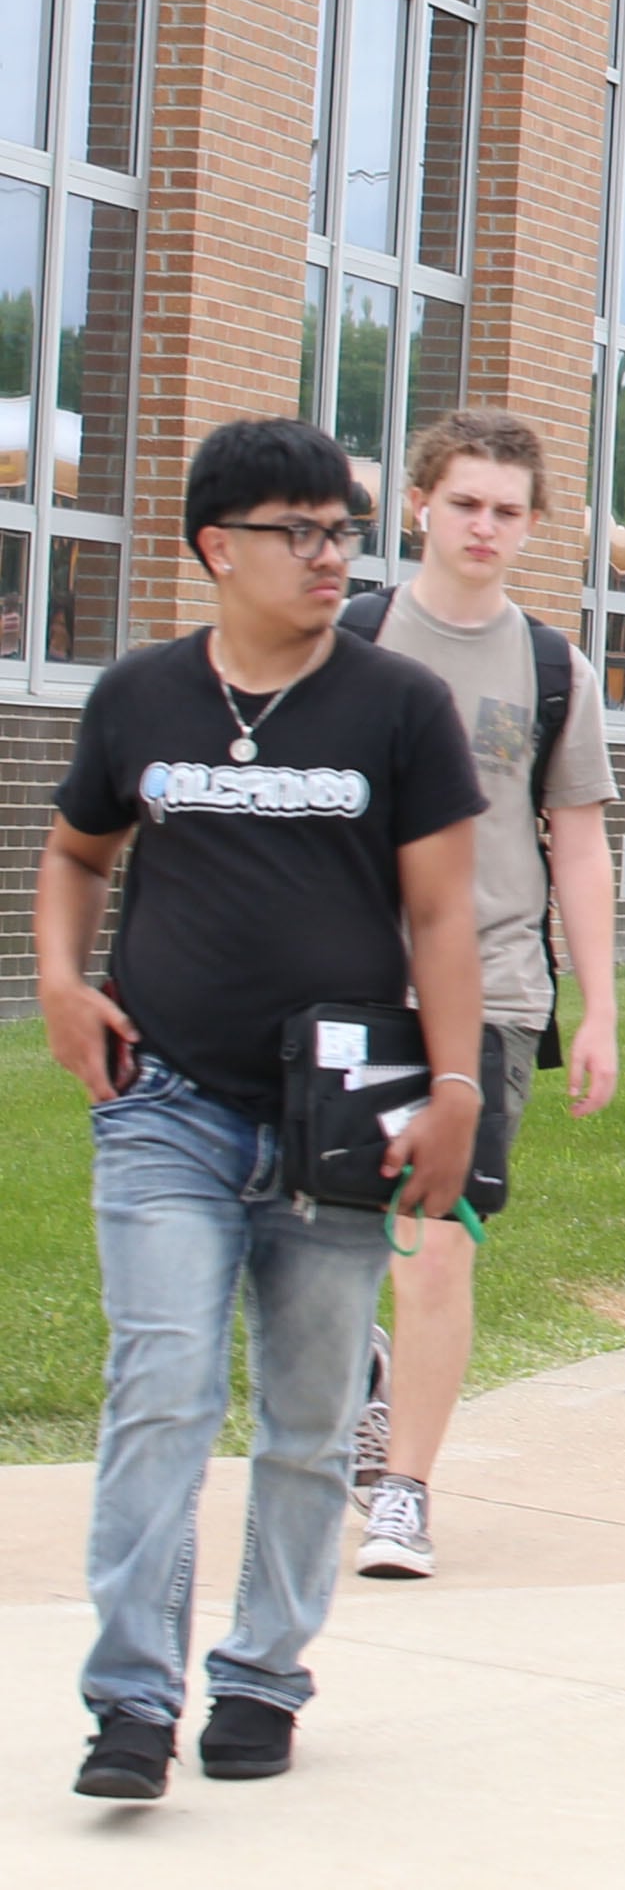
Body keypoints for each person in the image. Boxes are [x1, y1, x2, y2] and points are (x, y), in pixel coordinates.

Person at [41, 419, 486, 1801]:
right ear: (216, 546)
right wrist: (61, 979)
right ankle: (129, 1699)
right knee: (159, 1394)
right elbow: (74, 851)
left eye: (343, 529)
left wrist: (458, 1086)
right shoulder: (140, 699)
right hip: (164, 1100)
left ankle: (263, 1674)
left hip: (338, 1122)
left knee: (303, 1415)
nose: (329, 554)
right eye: (301, 529)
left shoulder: (397, 705)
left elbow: (441, 911)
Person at [344, 411, 623, 1581]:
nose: (483, 527)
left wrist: (600, 1004)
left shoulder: (552, 669)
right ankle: (359, 1376)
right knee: (322, 1229)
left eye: (507, 510)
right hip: (347, 981)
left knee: (437, 1243)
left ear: (533, 526)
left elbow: (579, 839)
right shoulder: (351, 640)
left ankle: (402, 1489)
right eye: (464, 503)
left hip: (496, 992)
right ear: (420, 505)